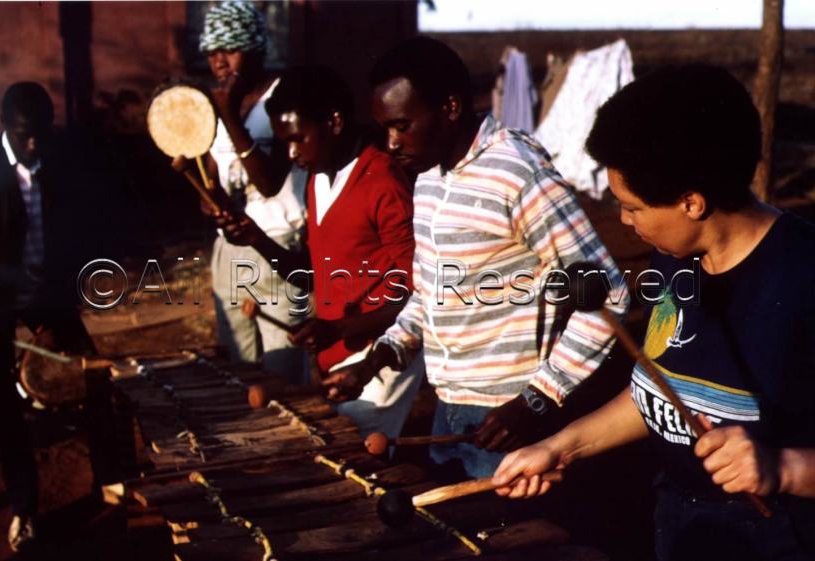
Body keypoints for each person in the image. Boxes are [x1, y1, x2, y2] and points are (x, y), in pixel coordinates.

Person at [492, 65, 815, 561]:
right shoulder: (675, 257)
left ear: (692, 202)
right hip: (678, 521)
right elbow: (662, 391)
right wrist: (560, 447)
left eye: (634, 207)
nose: (622, 220)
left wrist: (783, 467)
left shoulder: (802, 276)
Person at [322, 36, 627, 478]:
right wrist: (376, 360)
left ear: (449, 108)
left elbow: (607, 294)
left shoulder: (516, 171)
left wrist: (537, 399)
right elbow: (430, 294)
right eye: (385, 127)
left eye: (402, 125)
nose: (390, 143)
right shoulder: (427, 177)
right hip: (450, 410)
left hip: (511, 422)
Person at [217, 65, 424, 438]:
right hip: (339, 359)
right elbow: (310, 274)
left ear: (334, 121)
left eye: (298, 138)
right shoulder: (318, 180)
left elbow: (421, 296)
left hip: (381, 357)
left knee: (357, 463)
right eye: (285, 143)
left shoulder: (382, 181)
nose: (292, 153)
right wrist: (256, 239)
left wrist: (341, 327)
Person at [0, 82, 95, 552]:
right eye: (25, 136)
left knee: (94, 376)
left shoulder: (60, 161)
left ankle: (110, 484)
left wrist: (61, 304)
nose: (35, 144)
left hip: (48, 295)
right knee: (5, 409)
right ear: (4, 127)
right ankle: (25, 510)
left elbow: (74, 234)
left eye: (41, 133)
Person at [181, 1, 308, 381]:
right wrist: (208, 200)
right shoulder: (220, 102)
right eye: (211, 52)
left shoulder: (285, 96)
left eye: (230, 49)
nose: (219, 61)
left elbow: (269, 184)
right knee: (240, 375)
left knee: (282, 374)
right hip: (229, 253)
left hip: (278, 249)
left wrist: (231, 115)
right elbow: (218, 182)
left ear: (255, 48)